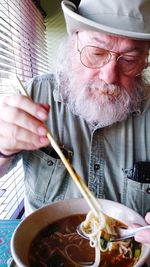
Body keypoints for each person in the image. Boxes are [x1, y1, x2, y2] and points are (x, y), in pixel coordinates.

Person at [0, 0, 150, 247]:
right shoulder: (36, 94)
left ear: (144, 61)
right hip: (44, 250)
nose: (109, 76)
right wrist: (3, 147)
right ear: (73, 47)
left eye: (129, 59)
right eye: (97, 53)